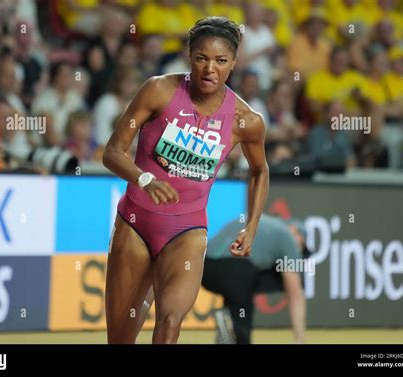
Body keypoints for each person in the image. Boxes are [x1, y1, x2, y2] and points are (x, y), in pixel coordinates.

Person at [102, 16, 269, 344]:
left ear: (234, 63)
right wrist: (144, 179)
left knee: (171, 320)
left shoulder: (247, 121)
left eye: (221, 61)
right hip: (135, 223)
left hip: (187, 232)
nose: (210, 69)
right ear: (189, 56)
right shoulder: (158, 90)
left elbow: (259, 170)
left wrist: (252, 226)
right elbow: (112, 153)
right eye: (201, 58)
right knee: (120, 339)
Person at [202, 214, 309, 344]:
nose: (298, 251)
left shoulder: (267, 224)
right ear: (296, 232)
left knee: (239, 295)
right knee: (241, 332)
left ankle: (228, 318)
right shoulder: (289, 236)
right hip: (235, 267)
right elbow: (295, 293)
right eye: (301, 245)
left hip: (205, 267)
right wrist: (300, 339)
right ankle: (231, 321)